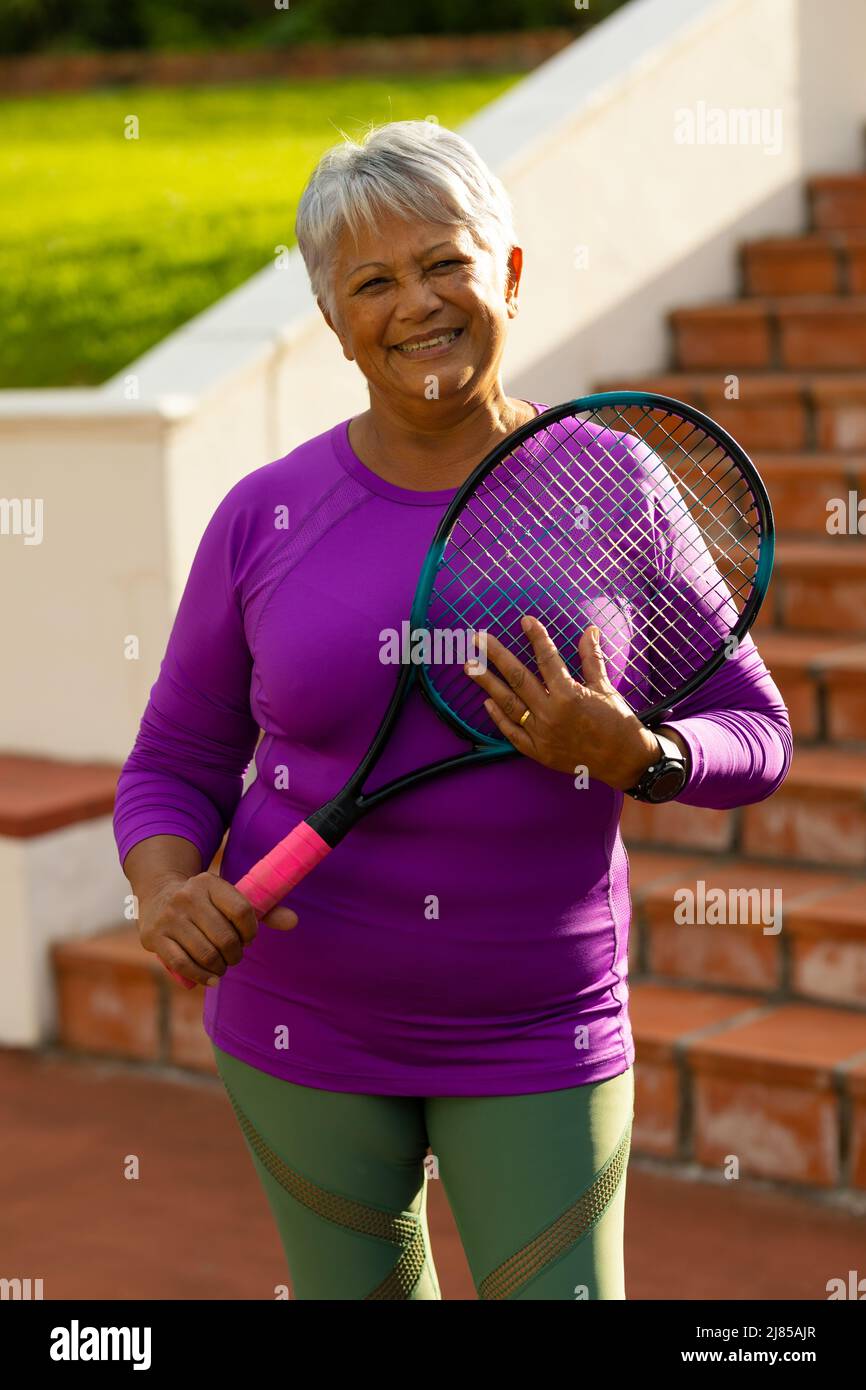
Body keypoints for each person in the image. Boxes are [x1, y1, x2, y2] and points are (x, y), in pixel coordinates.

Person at [113, 119, 792, 1300]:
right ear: (334, 322)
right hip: (300, 1024)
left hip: (540, 1024)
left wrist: (638, 750)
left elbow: (757, 730)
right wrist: (166, 887)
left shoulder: (615, 483)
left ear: (509, 276)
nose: (415, 302)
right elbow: (175, 755)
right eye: (371, 282)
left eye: (445, 263)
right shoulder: (264, 514)